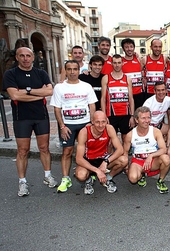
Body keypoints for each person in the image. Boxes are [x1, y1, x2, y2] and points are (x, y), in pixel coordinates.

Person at [2, 47, 57, 196]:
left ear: (33, 57)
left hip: (41, 116)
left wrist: (26, 91)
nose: (25, 58)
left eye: (28, 56)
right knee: (22, 151)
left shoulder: (41, 73)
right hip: (22, 118)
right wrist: (38, 93)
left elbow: (49, 91)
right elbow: (14, 96)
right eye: (22, 56)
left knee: (44, 148)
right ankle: (22, 182)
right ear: (17, 58)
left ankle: (48, 176)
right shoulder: (10, 74)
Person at [50, 60, 98, 193]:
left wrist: (91, 123)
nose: (72, 72)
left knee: (88, 150)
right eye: (69, 69)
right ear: (65, 71)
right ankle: (65, 178)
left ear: (79, 70)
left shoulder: (86, 86)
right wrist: (62, 126)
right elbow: (57, 109)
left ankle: (89, 174)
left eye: (75, 69)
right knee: (67, 151)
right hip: (68, 125)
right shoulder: (59, 87)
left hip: (85, 123)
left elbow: (92, 106)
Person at [75, 111, 128, 194]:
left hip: (103, 158)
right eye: (97, 122)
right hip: (89, 160)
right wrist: (97, 171)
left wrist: (106, 162)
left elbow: (120, 150)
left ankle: (108, 178)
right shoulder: (84, 132)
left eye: (103, 122)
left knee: (124, 160)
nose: (100, 125)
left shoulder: (109, 128)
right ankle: (89, 180)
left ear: (107, 121)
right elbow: (78, 158)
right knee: (81, 175)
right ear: (92, 121)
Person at [124, 106, 170, 194]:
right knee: (133, 179)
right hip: (138, 161)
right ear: (136, 120)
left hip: (153, 161)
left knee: (166, 158)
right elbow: (125, 152)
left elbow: (164, 149)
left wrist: (151, 156)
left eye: (148, 117)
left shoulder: (156, 131)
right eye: (143, 118)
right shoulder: (130, 135)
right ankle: (141, 175)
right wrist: (126, 167)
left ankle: (161, 180)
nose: (147, 120)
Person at [101, 54, 134, 143]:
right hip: (111, 114)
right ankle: (111, 156)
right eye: (115, 63)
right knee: (111, 139)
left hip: (125, 113)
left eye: (119, 62)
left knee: (126, 138)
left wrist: (132, 115)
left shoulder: (127, 79)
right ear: (111, 63)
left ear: (123, 63)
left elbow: (131, 98)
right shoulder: (106, 78)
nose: (117, 65)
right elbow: (103, 99)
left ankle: (125, 156)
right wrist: (104, 115)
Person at [121, 38, 145, 110]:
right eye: (126, 47)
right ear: (123, 49)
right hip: (127, 95)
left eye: (131, 47)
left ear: (134, 48)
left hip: (139, 94)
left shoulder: (138, 60)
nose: (129, 49)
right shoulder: (120, 62)